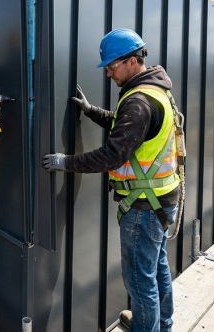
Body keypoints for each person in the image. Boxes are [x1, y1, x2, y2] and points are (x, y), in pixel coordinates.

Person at [41, 28, 184, 332]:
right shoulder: (155, 91)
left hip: (144, 208)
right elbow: (127, 128)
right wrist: (92, 111)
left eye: (111, 66)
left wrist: (65, 162)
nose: (108, 73)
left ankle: (148, 327)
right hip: (161, 201)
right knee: (157, 270)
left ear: (133, 61)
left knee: (139, 281)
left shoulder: (138, 101)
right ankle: (162, 325)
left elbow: (112, 155)